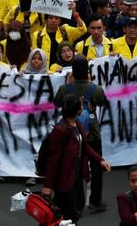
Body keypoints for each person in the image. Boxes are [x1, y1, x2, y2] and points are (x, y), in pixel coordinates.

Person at [53, 55, 110, 212]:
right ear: (87, 71)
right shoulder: (95, 89)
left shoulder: (65, 89)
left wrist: (68, 84)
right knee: (97, 167)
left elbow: (56, 102)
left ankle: (76, 202)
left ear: (72, 71)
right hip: (92, 134)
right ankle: (95, 201)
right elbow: (103, 102)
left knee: (73, 167)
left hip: (71, 134)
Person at [42, 94, 111, 222]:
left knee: (65, 211)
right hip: (64, 180)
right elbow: (54, 160)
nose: (83, 105)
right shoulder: (61, 130)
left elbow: (85, 147)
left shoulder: (76, 124)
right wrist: (48, 186)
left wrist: (100, 160)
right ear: (77, 109)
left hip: (76, 177)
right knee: (71, 214)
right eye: (81, 104)